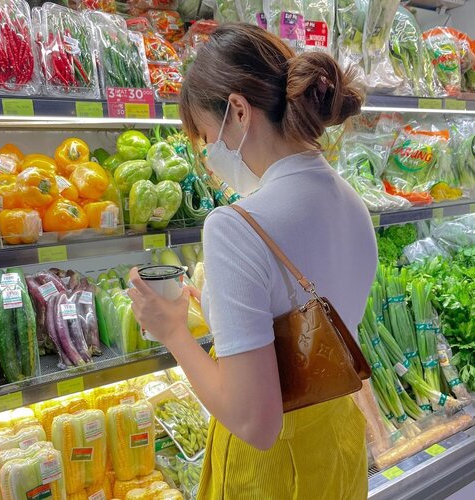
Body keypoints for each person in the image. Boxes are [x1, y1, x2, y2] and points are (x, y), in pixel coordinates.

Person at [128, 23, 378, 499]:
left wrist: (174, 333)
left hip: (273, 475)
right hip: (339, 454)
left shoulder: (235, 226)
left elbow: (254, 422)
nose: (206, 158)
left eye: (204, 136)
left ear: (238, 111)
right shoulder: (353, 203)